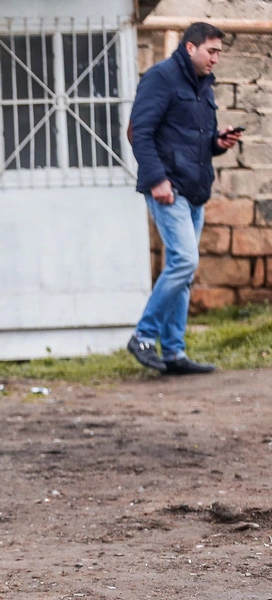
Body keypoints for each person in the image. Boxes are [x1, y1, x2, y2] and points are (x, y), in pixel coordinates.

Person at [127, 22, 241, 375]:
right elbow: (139, 132)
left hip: (194, 190)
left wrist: (216, 143)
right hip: (168, 189)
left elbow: (191, 141)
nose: (216, 59)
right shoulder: (160, 78)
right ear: (190, 48)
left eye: (219, 52)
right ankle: (143, 336)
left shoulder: (204, 86)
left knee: (185, 271)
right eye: (212, 51)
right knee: (184, 262)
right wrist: (157, 179)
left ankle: (174, 353)